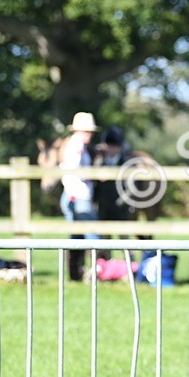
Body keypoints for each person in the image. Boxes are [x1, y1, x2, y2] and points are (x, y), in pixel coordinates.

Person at [58, 111, 100, 281]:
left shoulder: (75, 144)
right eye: (86, 131)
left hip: (73, 194)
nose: (89, 134)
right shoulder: (77, 146)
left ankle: (75, 273)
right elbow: (75, 169)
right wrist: (93, 175)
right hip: (79, 195)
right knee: (92, 234)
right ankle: (98, 269)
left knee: (77, 235)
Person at [93, 125, 135, 223]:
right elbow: (96, 187)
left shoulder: (127, 164)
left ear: (119, 147)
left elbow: (131, 188)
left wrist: (121, 202)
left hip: (121, 210)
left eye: (114, 146)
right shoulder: (99, 163)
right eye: (109, 145)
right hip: (103, 209)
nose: (111, 149)